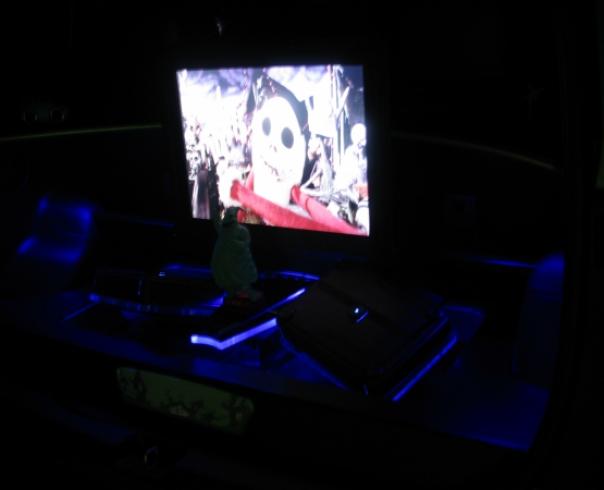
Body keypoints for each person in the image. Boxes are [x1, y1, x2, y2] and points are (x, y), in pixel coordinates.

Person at [210, 207, 262, 303]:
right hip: (229, 266)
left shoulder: (236, 231)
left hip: (238, 264)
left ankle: (242, 293)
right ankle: (236, 294)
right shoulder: (226, 231)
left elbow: (245, 243)